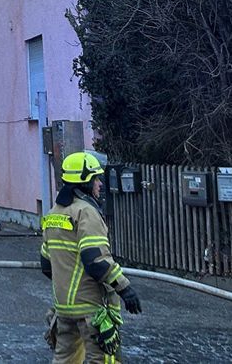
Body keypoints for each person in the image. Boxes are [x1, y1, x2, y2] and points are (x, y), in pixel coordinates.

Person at [40, 152, 141, 363]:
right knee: (104, 359)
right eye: (96, 179)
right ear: (85, 181)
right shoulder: (86, 212)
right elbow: (96, 260)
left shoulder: (52, 214)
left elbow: (46, 264)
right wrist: (125, 289)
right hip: (91, 310)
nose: (99, 185)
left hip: (64, 309)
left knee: (65, 360)